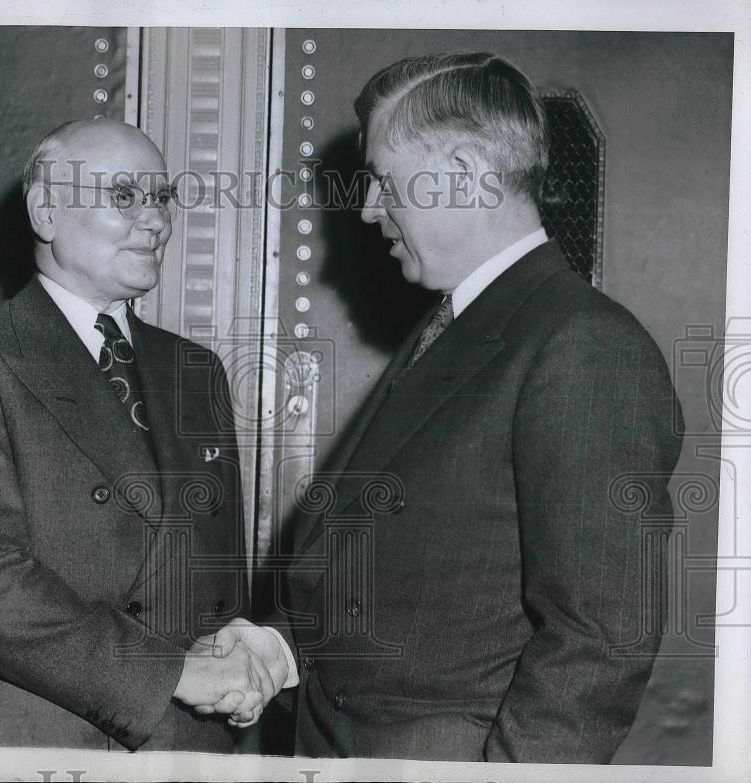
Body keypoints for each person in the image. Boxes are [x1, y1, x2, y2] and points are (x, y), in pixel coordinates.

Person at [276, 53, 684, 762]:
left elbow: (600, 639)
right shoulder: (460, 324)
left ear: (461, 174)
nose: (370, 209)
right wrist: (277, 645)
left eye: (381, 180)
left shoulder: (584, 343)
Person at [0, 119, 288, 751]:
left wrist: (239, 670)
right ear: (46, 211)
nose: (156, 220)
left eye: (162, 198)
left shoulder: (197, 372)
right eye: (126, 196)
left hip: (189, 744)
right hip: (33, 740)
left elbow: (215, 585)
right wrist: (172, 673)